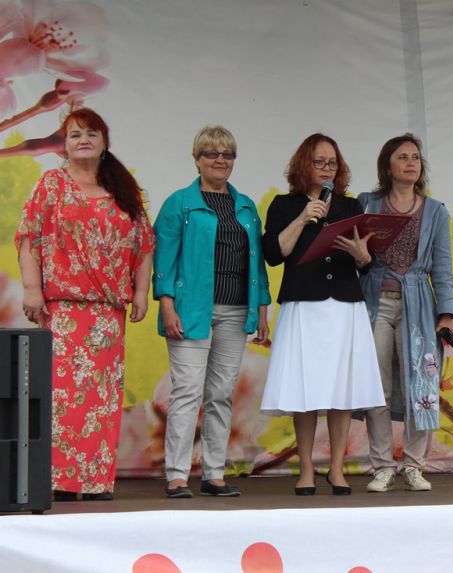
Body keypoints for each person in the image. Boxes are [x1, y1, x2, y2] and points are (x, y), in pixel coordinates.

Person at [16, 108, 155, 501]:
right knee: (62, 398)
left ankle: (95, 482)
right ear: (64, 144)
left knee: (101, 400)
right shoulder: (51, 185)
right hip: (63, 311)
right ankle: (60, 481)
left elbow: (144, 245)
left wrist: (141, 292)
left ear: (104, 142)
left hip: (107, 315)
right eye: (75, 134)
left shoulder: (123, 189)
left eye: (91, 133)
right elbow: (28, 237)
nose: (83, 140)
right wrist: (32, 289)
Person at [260, 133, 384, 496]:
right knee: (305, 389)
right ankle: (306, 470)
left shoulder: (350, 206)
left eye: (332, 163)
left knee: (341, 389)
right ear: (303, 165)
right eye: (319, 162)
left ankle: (337, 469)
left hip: (343, 305)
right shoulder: (284, 205)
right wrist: (304, 217)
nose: (327, 169)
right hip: (304, 304)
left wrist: (362, 255)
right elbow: (274, 254)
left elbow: (366, 261)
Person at [153, 126, 270, 499]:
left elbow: (257, 264)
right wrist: (167, 305)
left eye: (227, 154)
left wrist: (262, 310)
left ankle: (214, 474)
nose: (220, 160)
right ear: (197, 159)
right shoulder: (178, 203)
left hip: (236, 311)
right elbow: (164, 260)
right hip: (190, 311)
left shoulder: (245, 206)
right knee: (187, 390)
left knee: (221, 393)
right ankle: (177, 475)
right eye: (211, 153)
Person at [358, 134, 453, 493]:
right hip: (376, 302)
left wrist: (445, 315)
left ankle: (414, 465)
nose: (411, 163)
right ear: (388, 166)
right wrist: (361, 258)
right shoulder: (367, 204)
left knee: (421, 384)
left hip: (418, 304)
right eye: (402, 157)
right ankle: (382, 466)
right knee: (378, 386)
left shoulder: (435, 211)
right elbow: (355, 255)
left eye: (415, 157)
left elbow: (442, 266)